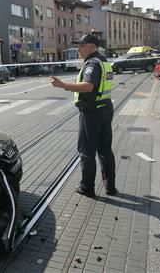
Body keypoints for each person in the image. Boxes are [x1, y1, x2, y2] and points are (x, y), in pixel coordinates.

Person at [50, 33, 118, 198]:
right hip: (105, 107)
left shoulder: (92, 64)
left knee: (86, 151)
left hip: (92, 111)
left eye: (82, 45)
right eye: (78, 45)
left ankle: (87, 188)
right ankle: (110, 187)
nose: (78, 49)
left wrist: (63, 85)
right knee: (105, 150)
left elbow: (88, 86)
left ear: (92, 47)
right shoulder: (103, 62)